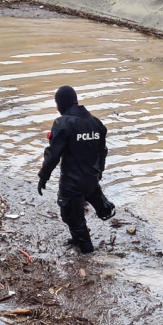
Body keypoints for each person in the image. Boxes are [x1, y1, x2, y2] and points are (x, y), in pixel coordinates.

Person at [38, 86, 114, 254]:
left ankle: (87, 251)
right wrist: (98, 174)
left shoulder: (62, 123)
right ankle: (100, 208)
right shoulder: (96, 123)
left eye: (57, 104)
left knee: (72, 217)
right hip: (91, 178)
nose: (57, 108)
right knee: (76, 211)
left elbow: (52, 155)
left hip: (72, 181)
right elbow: (103, 152)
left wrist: (43, 177)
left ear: (62, 103)